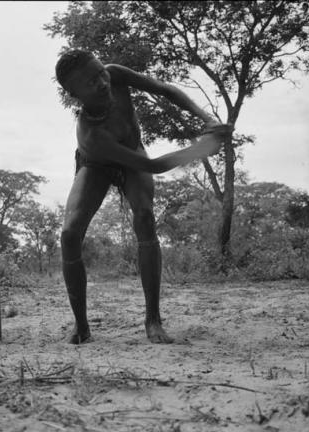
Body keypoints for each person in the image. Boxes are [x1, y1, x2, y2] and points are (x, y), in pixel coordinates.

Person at [55, 49, 231, 344]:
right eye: (91, 82)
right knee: (69, 235)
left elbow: (164, 90)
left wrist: (207, 120)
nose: (102, 82)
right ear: (75, 94)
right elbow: (153, 166)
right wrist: (200, 149)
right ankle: (81, 326)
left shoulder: (115, 73)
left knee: (146, 217)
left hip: (132, 154)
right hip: (95, 165)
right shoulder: (92, 135)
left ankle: (153, 319)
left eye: (100, 72)